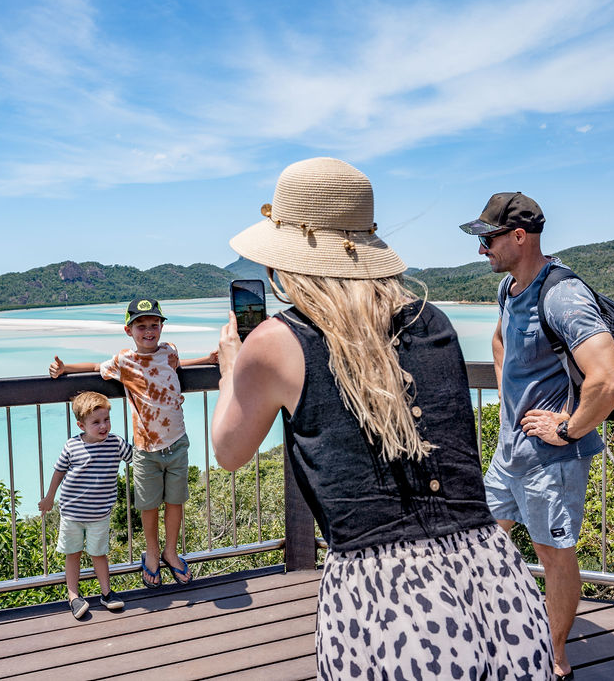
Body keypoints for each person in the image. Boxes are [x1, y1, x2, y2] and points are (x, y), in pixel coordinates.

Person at [212, 157, 554, 680]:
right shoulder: (431, 320)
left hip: (388, 598)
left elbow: (229, 452)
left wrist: (232, 368)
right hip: (494, 576)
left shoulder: (277, 341)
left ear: (287, 262)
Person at [459, 192, 614, 680]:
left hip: (553, 459)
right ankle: (495, 637)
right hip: (511, 452)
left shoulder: (562, 294)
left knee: (553, 556)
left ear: (518, 236)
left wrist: (567, 428)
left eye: (487, 238)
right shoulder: (511, 288)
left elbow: (610, 380)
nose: (481, 249)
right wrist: (511, 407)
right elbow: (500, 339)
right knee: (482, 543)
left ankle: (553, 656)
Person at [49, 298, 218, 589]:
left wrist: (207, 359)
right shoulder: (124, 361)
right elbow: (95, 366)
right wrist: (67, 370)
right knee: (149, 506)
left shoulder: (170, 350)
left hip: (177, 442)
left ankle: (171, 552)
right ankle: (152, 553)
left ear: (162, 327)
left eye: (154, 325)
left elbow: (176, 366)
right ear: (129, 330)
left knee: (176, 502)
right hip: (144, 448)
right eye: (141, 326)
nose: (149, 331)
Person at [39, 391, 133, 619]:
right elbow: (58, 473)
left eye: (106, 420)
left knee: (99, 554)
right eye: (96, 422)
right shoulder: (72, 446)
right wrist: (49, 497)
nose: (103, 426)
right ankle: (73, 596)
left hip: (100, 514)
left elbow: (136, 458)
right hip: (71, 513)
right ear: (81, 425)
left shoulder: (116, 443)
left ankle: (106, 593)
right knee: (73, 553)